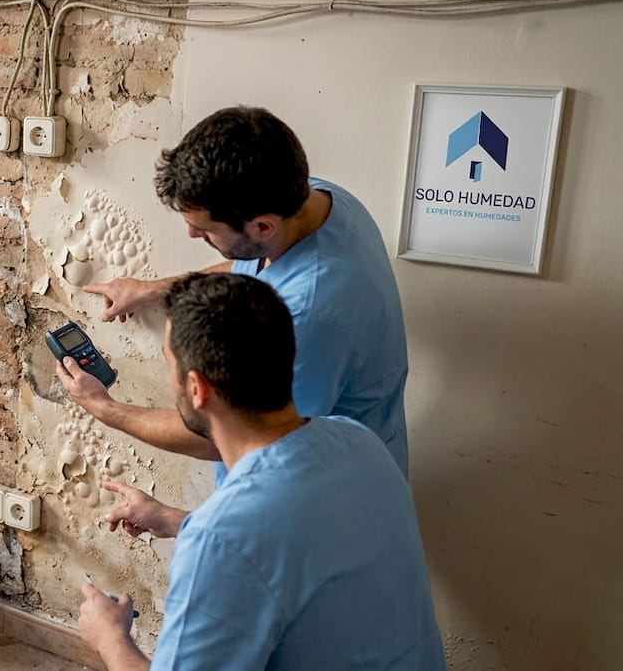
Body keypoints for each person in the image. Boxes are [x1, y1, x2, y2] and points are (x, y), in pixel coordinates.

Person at [75, 273, 444, 670]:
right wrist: (172, 520)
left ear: (197, 389)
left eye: (169, 364)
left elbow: (241, 541)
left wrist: (109, 637)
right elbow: (286, 544)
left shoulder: (222, 539)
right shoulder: (358, 442)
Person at [58, 106, 410, 477]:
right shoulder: (309, 198)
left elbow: (226, 434)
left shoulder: (309, 315)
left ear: (261, 227)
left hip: (317, 495)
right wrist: (155, 290)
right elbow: (254, 265)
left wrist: (103, 408)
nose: (193, 235)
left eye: (205, 230)